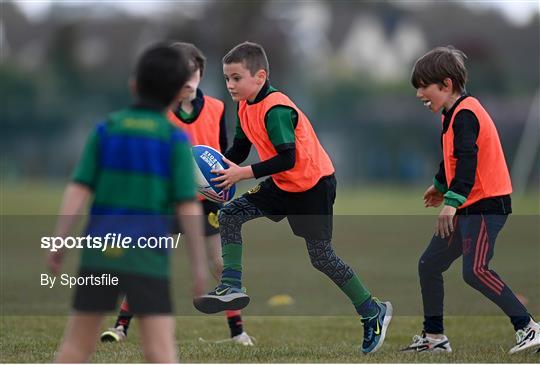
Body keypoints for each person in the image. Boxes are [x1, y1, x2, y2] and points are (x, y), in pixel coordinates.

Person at [193, 41, 392, 354]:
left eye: (236, 78)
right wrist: (214, 173)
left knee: (321, 257)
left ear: (259, 77)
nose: (230, 85)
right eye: (227, 78)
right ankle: (231, 285)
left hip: (313, 186)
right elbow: (241, 149)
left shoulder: (277, 109)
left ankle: (372, 310)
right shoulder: (245, 104)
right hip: (283, 184)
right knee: (231, 214)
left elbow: (288, 158)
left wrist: (241, 174)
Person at [46, 43, 207, 363]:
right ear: (178, 92)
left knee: (76, 347)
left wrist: (59, 239)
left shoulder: (106, 130)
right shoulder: (174, 140)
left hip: (99, 253)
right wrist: (199, 265)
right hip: (147, 259)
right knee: (160, 351)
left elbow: (78, 189)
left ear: (134, 84)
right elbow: (187, 206)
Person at [100, 42, 253, 346]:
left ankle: (238, 332)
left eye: (191, 72)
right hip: (167, 201)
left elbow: (221, 154)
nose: (185, 79)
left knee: (220, 265)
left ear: (200, 74)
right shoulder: (160, 112)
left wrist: (221, 183)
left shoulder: (217, 107)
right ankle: (120, 328)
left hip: (205, 202)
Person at [401, 46, 539, 354]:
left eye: (424, 86)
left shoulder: (465, 114)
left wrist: (450, 202)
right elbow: (449, 159)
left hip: (487, 205)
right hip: (469, 204)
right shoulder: (451, 115)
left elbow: (467, 162)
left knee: (475, 270)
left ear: (446, 85)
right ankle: (435, 339)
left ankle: (528, 327)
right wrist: (439, 185)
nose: (419, 93)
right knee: (429, 264)